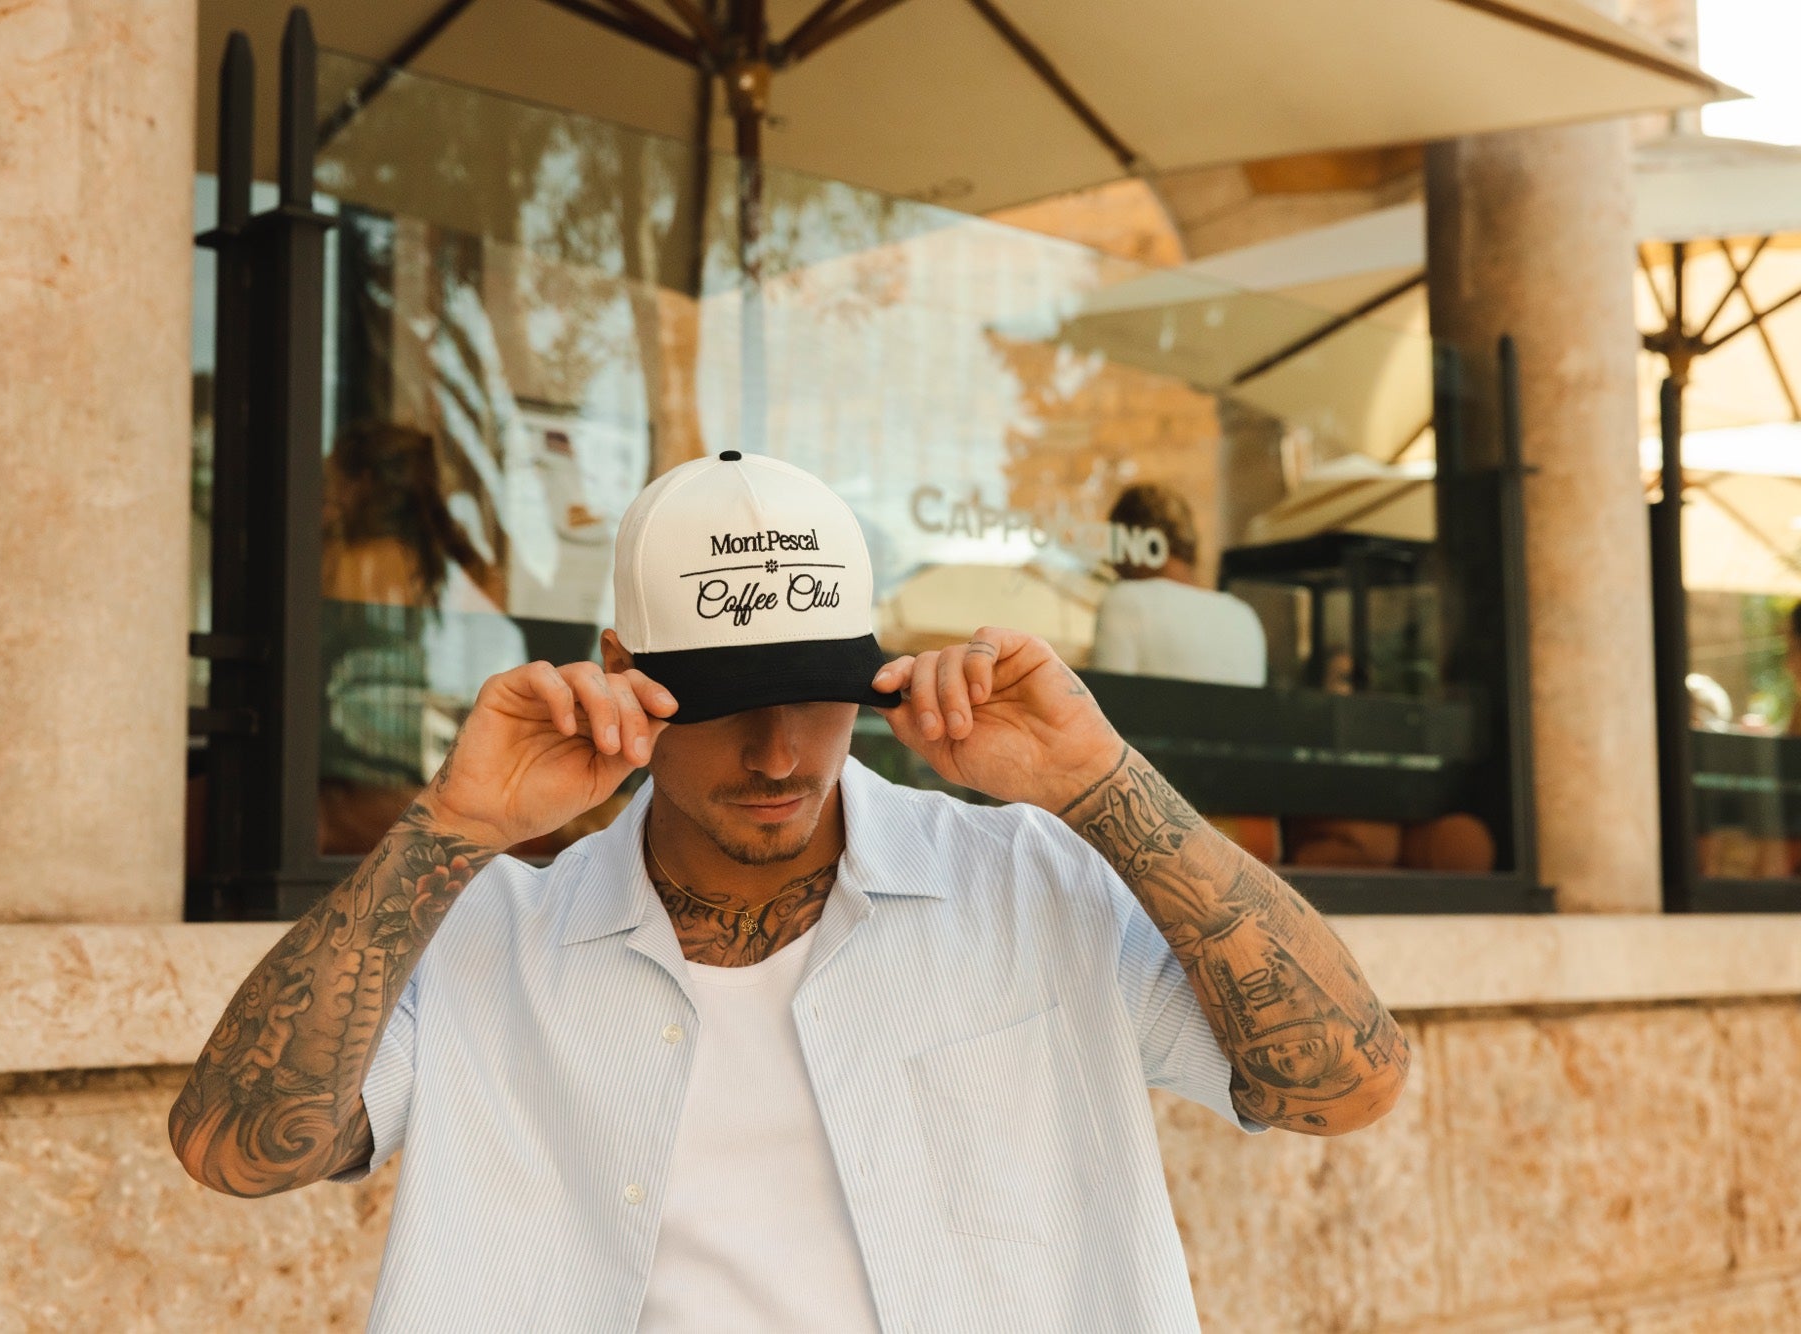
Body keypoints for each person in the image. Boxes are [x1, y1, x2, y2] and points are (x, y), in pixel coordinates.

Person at [170, 451, 1408, 1331]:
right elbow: (234, 1148)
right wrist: (445, 830)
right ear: (620, 671)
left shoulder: (1028, 884)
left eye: (815, 693)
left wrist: (1101, 781)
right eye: (720, 702)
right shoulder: (492, 931)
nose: (776, 753)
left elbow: (1347, 1083)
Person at [316, 421, 526, 855]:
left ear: (362, 483)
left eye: (332, 482)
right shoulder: (475, 570)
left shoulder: (341, 561)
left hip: (358, 795)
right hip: (457, 788)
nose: (326, 497)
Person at [1090, 482, 1268, 687]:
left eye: (1114, 543)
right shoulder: (1243, 617)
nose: (1114, 563)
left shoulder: (1125, 601)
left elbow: (1105, 700)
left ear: (1133, 543)